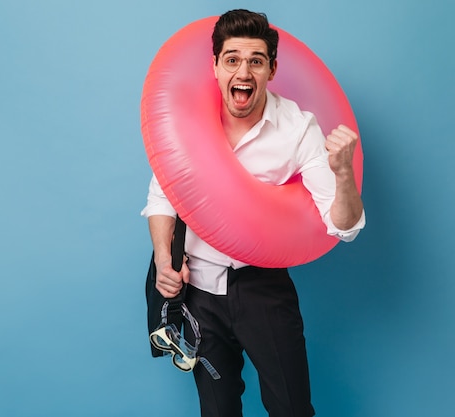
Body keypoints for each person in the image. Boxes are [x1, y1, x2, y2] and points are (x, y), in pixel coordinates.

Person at [141, 9, 365, 417]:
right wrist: (162, 256)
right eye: (232, 59)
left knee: (292, 409)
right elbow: (163, 196)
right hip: (200, 295)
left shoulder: (298, 129)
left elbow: (342, 226)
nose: (243, 71)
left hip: (263, 288)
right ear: (215, 66)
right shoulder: (189, 116)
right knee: (218, 410)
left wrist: (344, 174)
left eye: (256, 61)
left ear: (271, 69)